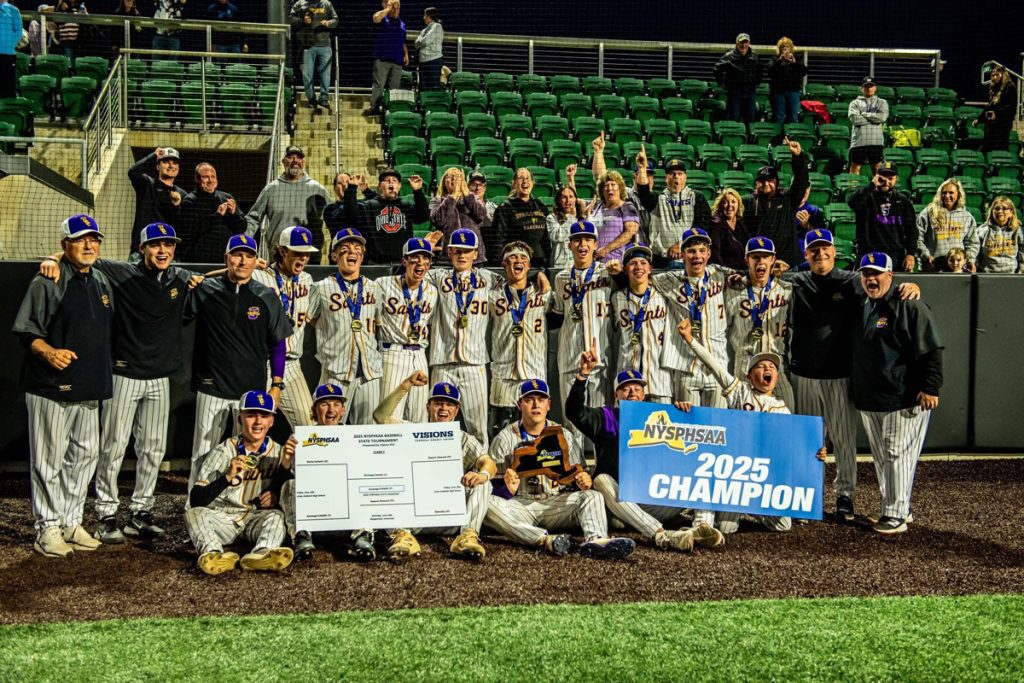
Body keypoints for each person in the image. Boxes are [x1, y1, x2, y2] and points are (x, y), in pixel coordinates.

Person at [38, 223, 200, 544]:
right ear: (142, 249)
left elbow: (216, 275)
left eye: (169, 244)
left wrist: (260, 265)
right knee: (113, 446)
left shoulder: (180, 276)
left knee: (153, 449)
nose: (163, 250)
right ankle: (106, 514)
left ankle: (140, 513)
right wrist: (52, 258)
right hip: (124, 373)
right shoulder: (121, 272)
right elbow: (81, 256)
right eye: (156, 245)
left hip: (159, 378)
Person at [785, 229, 920, 522]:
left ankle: (844, 495)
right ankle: (806, 495)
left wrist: (908, 286)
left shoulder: (853, 281)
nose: (820, 253)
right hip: (803, 375)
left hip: (840, 375)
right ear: (806, 254)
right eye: (814, 249)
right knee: (807, 441)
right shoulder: (796, 281)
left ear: (834, 251)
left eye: (825, 248)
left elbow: (881, 287)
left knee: (844, 440)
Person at [13, 215, 113, 557]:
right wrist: (49, 352)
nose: (89, 245)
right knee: (49, 460)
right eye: (81, 239)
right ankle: (47, 528)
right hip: (51, 387)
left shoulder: (101, 279)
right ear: (64, 245)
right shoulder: (47, 281)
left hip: (89, 386)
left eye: (93, 239)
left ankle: (71, 522)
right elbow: (27, 332)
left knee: (84, 457)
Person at [677, 317, 827, 535]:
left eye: (772, 367)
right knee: (727, 528)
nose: (768, 368)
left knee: (784, 525)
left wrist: (816, 453)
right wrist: (690, 339)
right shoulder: (741, 391)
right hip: (735, 473)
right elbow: (714, 365)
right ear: (749, 376)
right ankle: (714, 511)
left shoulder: (783, 410)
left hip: (760, 479)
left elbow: (794, 447)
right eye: (761, 366)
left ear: (776, 377)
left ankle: (749, 506)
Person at [184, 234, 293, 491]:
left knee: (246, 452)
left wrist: (276, 384)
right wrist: (199, 279)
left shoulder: (266, 296)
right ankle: (195, 502)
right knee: (203, 452)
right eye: (237, 255)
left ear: (256, 261)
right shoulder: (205, 289)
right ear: (226, 258)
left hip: (250, 391)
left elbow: (278, 344)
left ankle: (238, 503)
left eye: (249, 256)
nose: (243, 261)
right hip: (211, 385)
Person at [485, 379, 636, 559]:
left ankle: (596, 541)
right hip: (521, 505)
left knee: (593, 496)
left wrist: (583, 482)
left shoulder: (563, 435)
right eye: (529, 400)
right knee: (487, 503)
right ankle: (544, 540)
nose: (535, 405)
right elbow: (492, 487)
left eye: (541, 400)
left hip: (555, 503)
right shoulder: (504, 438)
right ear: (519, 404)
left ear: (549, 405)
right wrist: (506, 489)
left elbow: (578, 473)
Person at [567, 359, 705, 552]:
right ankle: (660, 534)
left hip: (652, 500)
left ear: (644, 394)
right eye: (625, 389)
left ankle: (702, 528)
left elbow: (692, 444)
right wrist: (582, 377)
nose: (632, 392)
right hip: (619, 503)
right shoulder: (606, 417)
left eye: (637, 388)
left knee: (701, 474)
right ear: (616, 395)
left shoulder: (659, 417)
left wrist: (684, 413)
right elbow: (574, 412)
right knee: (600, 480)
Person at [852, 252, 943, 534]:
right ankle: (896, 507)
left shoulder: (910, 305)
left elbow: (931, 349)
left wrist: (930, 387)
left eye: (876, 273)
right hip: (872, 397)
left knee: (896, 455)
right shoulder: (865, 303)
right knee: (883, 457)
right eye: (866, 274)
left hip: (902, 396)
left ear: (890, 275)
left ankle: (895, 514)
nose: (870, 278)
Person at [373, 372, 497, 560]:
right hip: (414, 517)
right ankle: (401, 536)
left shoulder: (464, 438)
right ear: (428, 407)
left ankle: (467, 537)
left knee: (484, 483)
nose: (443, 408)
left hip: (450, 517)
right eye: (438, 403)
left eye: (449, 404)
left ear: (456, 410)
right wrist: (406, 384)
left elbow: (488, 463)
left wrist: (482, 475)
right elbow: (380, 416)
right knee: (383, 482)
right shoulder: (412, 430)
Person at [186, 390, 294, 575]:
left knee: (276, 517)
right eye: (251, 415)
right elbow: (196, 499)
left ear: (271, 421)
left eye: (264, 416)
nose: (258, 422)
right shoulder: (223, 451)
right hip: (223, 519)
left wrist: (277, 489)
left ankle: (262, 554)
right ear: (240, 418)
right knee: (194, 514)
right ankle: (214, 554)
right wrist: (226, 477)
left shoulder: (279, 452)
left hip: (255, 519)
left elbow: (287, 495)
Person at [306, 228, 383, 425]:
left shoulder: (374, 288)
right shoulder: (320, 287)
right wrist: (329, 328)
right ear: (334, 255)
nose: (352, 252)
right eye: (345, 248)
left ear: (362, 256)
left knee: (367, 434)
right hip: (335, 370)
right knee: (328, 430)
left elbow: (378, 324)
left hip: (369, 372)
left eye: (357, 248)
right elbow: (308, 319)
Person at [425, 229, 494, 448]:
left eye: (466, 251)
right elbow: (411, 274)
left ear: (476, 253)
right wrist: (426, 248)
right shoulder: (438, 276)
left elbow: (517, 282)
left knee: (478, 427)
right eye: (457, 250)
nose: (461, 255)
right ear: (449, 252)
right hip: (442, 361)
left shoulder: (488, 278)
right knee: (435, 425)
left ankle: (481, 467)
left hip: (474, 364)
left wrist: (538, 276)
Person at [550, 220, 616, 444]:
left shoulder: (608, 274)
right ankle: (575, 465)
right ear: (569, 245)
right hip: (570, 358)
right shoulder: (561, 278)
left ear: (596, 244)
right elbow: (558, 314)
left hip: (600, 360)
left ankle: (601, 466)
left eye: (588, 239)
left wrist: (620, 274)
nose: (583, 244)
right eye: (577, 240)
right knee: (572, 423)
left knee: (601, 424)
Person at [251, 226, 320, 430]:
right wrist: (249, 265)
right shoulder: (259, 276)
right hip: (262, 364)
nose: (303, 258)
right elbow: (227, 277)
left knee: (309, 428)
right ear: (282, 251)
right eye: (298, 252)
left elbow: (312, 317)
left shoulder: (307, 280)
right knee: (249, 424)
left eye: (307, 254)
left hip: (291, 365)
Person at [488, 241, 551, 436]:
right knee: (501, 433)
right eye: (512, 258)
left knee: (535, 432)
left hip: (534, 372)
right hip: (503, 374)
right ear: (504, 264)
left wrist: (541, 275)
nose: (518, 261)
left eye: (523, 258)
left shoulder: (544, 294)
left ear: (529, 265)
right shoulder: (492, 295)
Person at [277, 383, 346, 560]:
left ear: (343, 410)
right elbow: (280, 484)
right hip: (312, 516)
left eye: (336, 404)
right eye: (324, 404)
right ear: (314, 410)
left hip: (345, 517)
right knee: (290, 485)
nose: (331, 409)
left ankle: (363, 535)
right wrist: (286, 460)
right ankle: (300, 537)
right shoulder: (298, 438)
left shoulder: (353, 436)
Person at [724, 237, 794, 408]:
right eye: (755, 257)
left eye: (765, 256)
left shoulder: (787, 290)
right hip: (745, 366)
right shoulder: (732, 291)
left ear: (773, 259)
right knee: (745, 420)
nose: (760, 261)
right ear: (746, 260)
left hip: (777, 365)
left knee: (787, 416)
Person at [374, 238, 438, 423]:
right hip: (392, 353)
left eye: (425, 258)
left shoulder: (432, 291)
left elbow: (429, 323)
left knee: (419, 417)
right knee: (389, 416)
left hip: (419, 354)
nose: (420, 263)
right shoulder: (382, 284)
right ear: (404, 261)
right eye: (415, 258)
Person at [245, 145, 330, 261]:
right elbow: (253, 218)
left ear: (303, 162)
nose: (295, 161)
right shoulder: (271, 189)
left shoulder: (318, 189)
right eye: (290, 157)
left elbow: (333, 219)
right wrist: (244, 243)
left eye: (299, 157)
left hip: (308, 256)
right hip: (279, 255)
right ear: (283, 162)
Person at [609, 244, 672, 403]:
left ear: (650, 268)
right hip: (627, 383)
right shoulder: (616, 298)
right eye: (633, 263)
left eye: (643, 263)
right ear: (625, 269)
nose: (638, 267)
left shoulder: (663, 296)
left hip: (660, 380)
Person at [635, 156, 711, 269]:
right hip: (661, 258)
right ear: (666, 178)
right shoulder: (658, 198)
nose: (676, 176)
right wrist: (642, 169)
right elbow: (643, 194)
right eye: (672, 173)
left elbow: (703, 226)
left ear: (685, 177)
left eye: (680, 173)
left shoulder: (697, 197)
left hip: (689, 258)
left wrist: (681, 244)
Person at [741, 138, 808, 266]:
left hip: (788, 263)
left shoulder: (788, 199)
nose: (766, 184)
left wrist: (798, 157)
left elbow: (801, 180)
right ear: (755, 183)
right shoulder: (746, 202)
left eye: (770, 180)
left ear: (777, 182)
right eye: (762, 180)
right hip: (760, 261)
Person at [344, 168, 429, 264]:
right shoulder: (369, 205)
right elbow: (351, 216)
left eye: (394, 180)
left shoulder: (406, 206)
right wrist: (351, 188)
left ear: (399, 186)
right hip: (376, 263)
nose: (391, 183)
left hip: (402, 263)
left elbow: (423, 217)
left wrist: (418, 191)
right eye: (387, 180)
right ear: (380, 186)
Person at [848, 161, 917, 271]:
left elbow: (912, 230)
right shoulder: (867, 197)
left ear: (896, 179)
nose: (886, 181)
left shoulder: (902, 200)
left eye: (890, 178)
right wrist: (872, 185)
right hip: (869, 255)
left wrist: (910, 254)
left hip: (895, 256)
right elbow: (852, 202)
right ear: (876, 176)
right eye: (883, 177)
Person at [178, 162, 246, 263]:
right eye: (205, 177)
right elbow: (190, 231)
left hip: (224, 258)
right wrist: (217, 215)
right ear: (197, 179)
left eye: (213, 177)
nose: (210, 180)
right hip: (198, 259)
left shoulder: (226, 198)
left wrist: (234, 214)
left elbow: (241, 228)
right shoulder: (189, 201)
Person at [128, 147, 185, 260]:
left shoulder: (182, 194)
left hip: (167, 252)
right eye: (166, 161)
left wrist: (176, 206)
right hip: (142, 250)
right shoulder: (147, 184)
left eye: (174, 163)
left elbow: (182, 226)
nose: (171, 165)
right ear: (158, 166)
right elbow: (133, 172)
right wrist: (153, 156)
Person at [916, 178, 980, 272]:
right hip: (933, 268)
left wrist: (970, 259)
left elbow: (972, 243)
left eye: (951, 193)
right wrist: (926, 256)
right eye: (944, 193)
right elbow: (917, 239)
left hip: (957, 269)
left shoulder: (966, 217)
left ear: (958, 194)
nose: (947, 196)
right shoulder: (927, 213)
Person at [491, 168, 550, 268]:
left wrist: (548, 261)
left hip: (539, 263)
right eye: (521, 178)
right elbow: (497, 240)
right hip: (516, 263)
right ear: (514, 183)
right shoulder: (505, 207)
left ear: (532, 182)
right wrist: (500, 264)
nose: (525, 181)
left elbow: (546, 239)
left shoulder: (540, 206)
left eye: (528, 178)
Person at [430, 167, 488, 263]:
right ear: (444, 182)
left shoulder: (472, 198)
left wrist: (466, 193)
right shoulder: (437, 201)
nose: (454, 178)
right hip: (447, 257)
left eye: (457, 176)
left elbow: (481, 215)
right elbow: (438, 220)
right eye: (450, 176)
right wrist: (453, 196)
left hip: (474, 258)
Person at [289, 0, 338, 109]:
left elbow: (335, 20)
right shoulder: (300, 3)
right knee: (307, 75)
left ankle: (324, 98)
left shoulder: (326, 3)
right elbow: (291, 18)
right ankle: (311, 99)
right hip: (306, 45)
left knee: (326, 74)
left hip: (325, 44)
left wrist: (329, 23)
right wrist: (303, 20)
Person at [367, 0, 408, 117]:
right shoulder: (383, 19)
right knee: (379, 85)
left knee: (394, 88)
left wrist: (406, 54)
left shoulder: (402, 24)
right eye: (393, 8)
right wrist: (388, 8)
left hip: (397, 60)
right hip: (382, 58)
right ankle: (374, 107)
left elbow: (403, 41)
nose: (395, 10)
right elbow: (375, 18)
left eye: (397, 8)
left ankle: (391, 110)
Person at [589, 170, 640, 263]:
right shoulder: (597, 207)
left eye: (613, 185)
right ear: (601, 191)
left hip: (616, 262)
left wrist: (606, 250)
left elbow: (630, 233)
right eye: (606, 186)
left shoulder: (627, 207)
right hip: (594, 262)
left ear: (620, 188)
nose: (609, 188)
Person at [713, 33, 761, 123]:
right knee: (733, 117)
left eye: (746, 42)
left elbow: (759, 71)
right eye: (741, 42)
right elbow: (717, 68)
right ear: (737, 43)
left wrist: (755, 83)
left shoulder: (755, 56)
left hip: (750, 92)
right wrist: (722, 83)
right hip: (735, 93)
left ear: (749, 43)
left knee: (750, 118)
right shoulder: (729, 56)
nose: (743, 45)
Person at [546, 170, 588, 270]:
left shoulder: (582, 220)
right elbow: (557, 236)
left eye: (571, 197)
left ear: (575, 200)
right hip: (560, 266)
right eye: (564, 197)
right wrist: (571, 218)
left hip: (580, 265)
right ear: (559, 201)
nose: (568, 201)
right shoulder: (552, 218)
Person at [848, 76, 889, 177]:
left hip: (875, 142)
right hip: (858, 142)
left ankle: (876, 188)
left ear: (875, 88)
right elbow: (855, 119)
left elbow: (882, 118)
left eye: (871, 86)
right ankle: (853, 187)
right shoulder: (854, 103)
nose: (869, 88)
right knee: (854, 170)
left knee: (877, 171)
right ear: (861, 88)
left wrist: (865, 114)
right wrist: (873, 119)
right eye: (866, 86)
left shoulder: (882, 102)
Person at [322, 172, 375, 245]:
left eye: (347, 182)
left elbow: (378, 203)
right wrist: (351, 188)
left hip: (359, 249)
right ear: (334, 188)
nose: (344, 185)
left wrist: (366, 190)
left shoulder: (360, 204)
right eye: (340, 183)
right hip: (340, 249)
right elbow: (348, 213)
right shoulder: (329, 209)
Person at [976, 197, 1024, 273]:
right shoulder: (982, 230)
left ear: (1011, 212)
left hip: (1012, 275)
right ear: (992, 211)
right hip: (987, 275)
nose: (1000, 211)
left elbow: (1023, 253)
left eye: (1004, 208)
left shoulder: (1018, 230)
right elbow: (975, 255)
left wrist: (1021, 272)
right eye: (997, 209)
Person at [978, 63, 1018, 153]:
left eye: (997, 75)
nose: (994, 77)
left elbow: (1011, 107)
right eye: (993, 75)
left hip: (1003, 124)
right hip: (992, 124)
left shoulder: (1010, 86)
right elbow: (990, 105)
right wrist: (979, 118)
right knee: (987, 148)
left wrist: (997, 113)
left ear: (1003, 75)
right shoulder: (994, 87)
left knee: (1000, 149)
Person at [767, 37, 806, 124]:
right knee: (779, 117)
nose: (785, 48)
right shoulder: (774, 59)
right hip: (778, 92)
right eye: (782, 47)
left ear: (791, 48)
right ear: (779, 48)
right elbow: (770, 71)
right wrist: (779, 61)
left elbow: (804, 71)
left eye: (787, 46)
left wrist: (794, 63)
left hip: (793, 92)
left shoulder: (796, 60)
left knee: (793, 116)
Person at [707, 188, 749, 270]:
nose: (730, 205)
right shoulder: (716, 224)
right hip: (726, 271)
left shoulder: (741, 222)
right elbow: (715, 255)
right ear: (720, 205)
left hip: (744, 269)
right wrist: (727, 272)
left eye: (733, 202)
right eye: (725, 202)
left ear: (738, 204)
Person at [414, 7, 443, 90]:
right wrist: (420, 42)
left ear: (429, 16)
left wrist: (420, 42)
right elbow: (415, 44)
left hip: (433, 62)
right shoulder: (424, 30)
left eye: (425, 15)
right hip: (423, 62)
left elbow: (425, 41)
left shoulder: (437, 26)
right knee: (423, 88)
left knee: (433, 87)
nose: (423, 18)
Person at [794, 185, 826, 255]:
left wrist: (807, 226)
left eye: (807, 188)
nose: (804, 192)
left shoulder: (815, 211)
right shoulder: (783, 209)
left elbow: (820, 236)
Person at [0, 0, 22, 99]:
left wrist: (8, 45)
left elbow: (18, 31)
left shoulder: (14, 10)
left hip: (8, 54)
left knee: (8, 87)